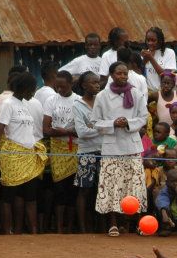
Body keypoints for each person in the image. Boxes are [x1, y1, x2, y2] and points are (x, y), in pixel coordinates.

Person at [91, 61, 148, 237]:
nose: (122, 76)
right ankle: (113, 223)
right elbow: (95, 122)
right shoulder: (102, 96)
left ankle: (135, 224)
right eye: (119, 73)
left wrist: (128, 123)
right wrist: (113, 124)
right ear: (111, 75)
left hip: (131, 146)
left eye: (125, 73)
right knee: (112, 186)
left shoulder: (136, 93)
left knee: (134, 186)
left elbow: (143, 117)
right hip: (111, 148)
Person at [0, 70, 45, 235]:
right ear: (23, 88)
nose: (34, 93)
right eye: (32, 89)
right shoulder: (8, 104)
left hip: (28, 156)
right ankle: (7, 231)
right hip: (12, 156)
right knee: (8, 196)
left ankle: (33, 231)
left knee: (31, 197)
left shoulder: (25, 104)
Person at [43, 70, 81, 233]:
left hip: (75, 149)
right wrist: (68, 131)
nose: (59, 90)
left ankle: (70, 227)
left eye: (63, 87)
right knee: (59, 188)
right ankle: (59, 228)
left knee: (72, 189)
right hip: (57, 148)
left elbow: (82, 130)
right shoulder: (51, 100)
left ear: (71, 84)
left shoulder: (78, 101)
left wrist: (60, 131)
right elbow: (46, 129)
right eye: (57, 87)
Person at [73, 71, 101, 233]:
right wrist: (102, 128)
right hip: (87, 152)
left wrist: (95, 127)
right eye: (93, 82)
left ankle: (102, 226)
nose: (97, 85)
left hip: (104, 150)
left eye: (98, 82)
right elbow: (81, 132)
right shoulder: (78, 105)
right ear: (84, 85)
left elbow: (108, 124)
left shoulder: (101, 101)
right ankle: (83, 228)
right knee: (84, 189)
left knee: (102, 189)